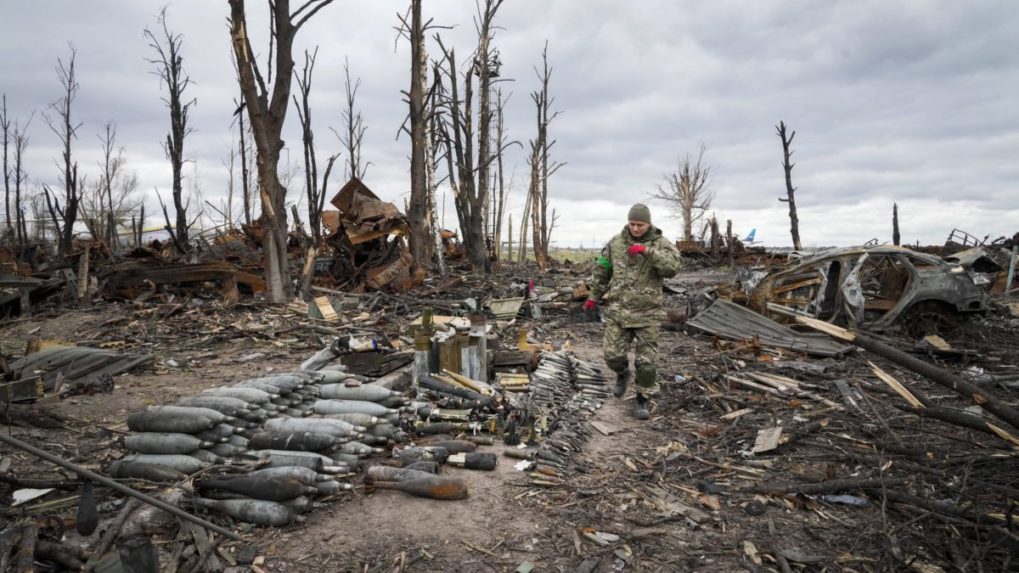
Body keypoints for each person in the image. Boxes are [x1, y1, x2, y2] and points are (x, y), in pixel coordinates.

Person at [584, 203, 682, 419]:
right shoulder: (615, 243)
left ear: (648, 223)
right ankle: (622, 373)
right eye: (632, 224)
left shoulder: (661, 243)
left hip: (648, 314)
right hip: (619, 311)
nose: (636, 228)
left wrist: (648, 252)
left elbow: (673, 267)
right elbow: (602, 270)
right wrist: (593, 297)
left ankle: (642, 400)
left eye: (640, 224)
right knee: (612, 356)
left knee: (646, 364)